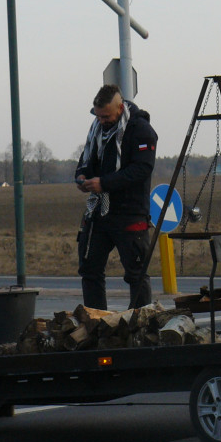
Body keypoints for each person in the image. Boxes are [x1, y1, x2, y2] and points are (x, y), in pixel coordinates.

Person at [75, 84, 158, 311]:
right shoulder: (96, 130)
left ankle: (140, 325)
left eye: (106, 116)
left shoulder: (141, 130)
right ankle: (96, 321)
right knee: (90, 269)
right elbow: (86, 160)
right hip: (98, 213)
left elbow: (142, 169)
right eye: (98, 116)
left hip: (130, 213)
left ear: (120, 108)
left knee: (136, 274)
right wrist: (82, 176)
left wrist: (104, 183)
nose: (102, 121)